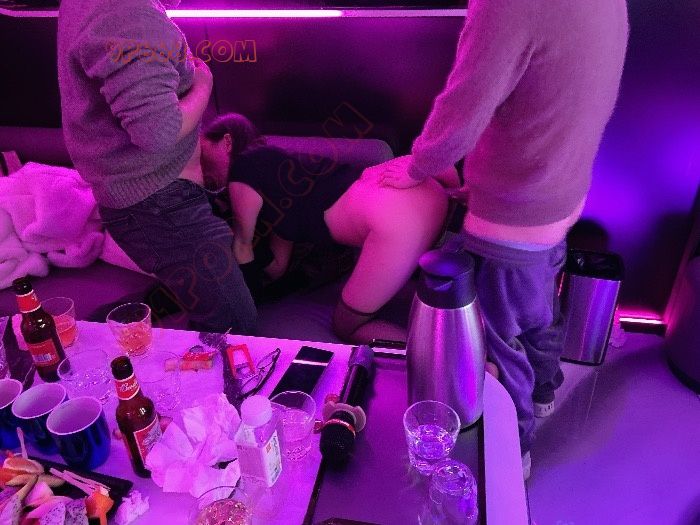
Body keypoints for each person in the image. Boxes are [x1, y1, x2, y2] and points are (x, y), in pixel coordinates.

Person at [379, 0, 629, 477]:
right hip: (560, 194)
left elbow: (465, 105)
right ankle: (546, 389)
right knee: (539, 314)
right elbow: (558, 94)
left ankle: (515, 453)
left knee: (500, 341)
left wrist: (418, 167)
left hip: (514, 215)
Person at [57, 0, 256, 334]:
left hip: (156, 203)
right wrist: (204, 82)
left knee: (202, 302)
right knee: (234, 326)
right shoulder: (127, 14)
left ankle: (96, 334)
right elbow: (158, 132)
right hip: (161, 207)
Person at [200, 113, 453, 344]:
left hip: (397, 221)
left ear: (227, 142)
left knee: (347, 327)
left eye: (202, 153)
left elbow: (242, 247)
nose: (202, 172)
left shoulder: (242, 169)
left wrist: (247, 320)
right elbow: (277, 267)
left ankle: (443, 354)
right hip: (428, 189)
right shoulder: (281, 176)